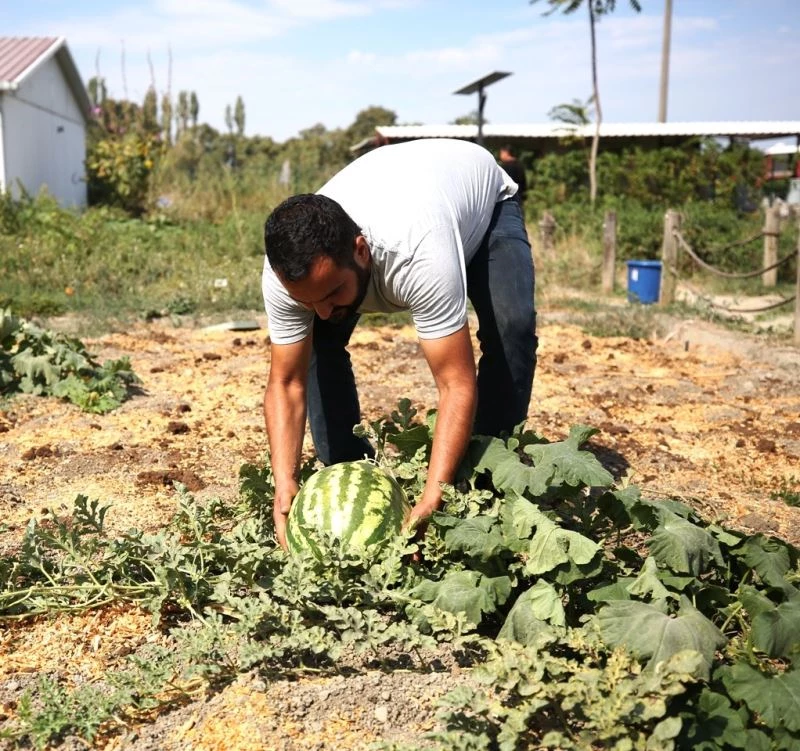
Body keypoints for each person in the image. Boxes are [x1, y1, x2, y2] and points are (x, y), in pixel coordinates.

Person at [262, 138, 537, 549]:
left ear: (360, 251)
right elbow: (286, 383)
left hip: (482, 204)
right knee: (318, 344)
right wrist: (284, 482)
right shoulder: (286, 275)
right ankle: (346, 465)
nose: (321, 311)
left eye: (333, 292)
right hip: (401, 189)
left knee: (511, 330)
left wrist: (435, 491)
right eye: (308, 300)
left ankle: (486, 470)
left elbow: (455, 383)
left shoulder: (418, 253)